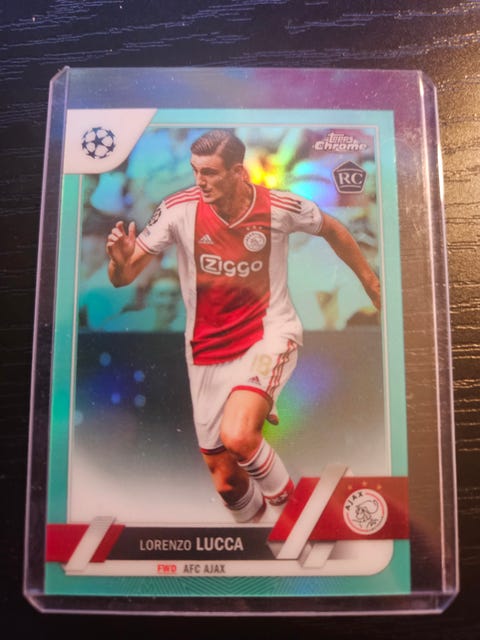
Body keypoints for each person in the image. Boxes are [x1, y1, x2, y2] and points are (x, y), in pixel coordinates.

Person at [106, 129, 380, 523]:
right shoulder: (178, 209)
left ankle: (296, 524)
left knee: (238, 436)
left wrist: (370, 282)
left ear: (238, 172)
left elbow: (332, 227)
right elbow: (124, 277)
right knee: (226, 481)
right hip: (206, 352)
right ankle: (262, 536)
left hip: (268, 335)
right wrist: (118, 262)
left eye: (210, 173)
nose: (200, 181)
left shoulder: (278, 206)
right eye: (195, 171)